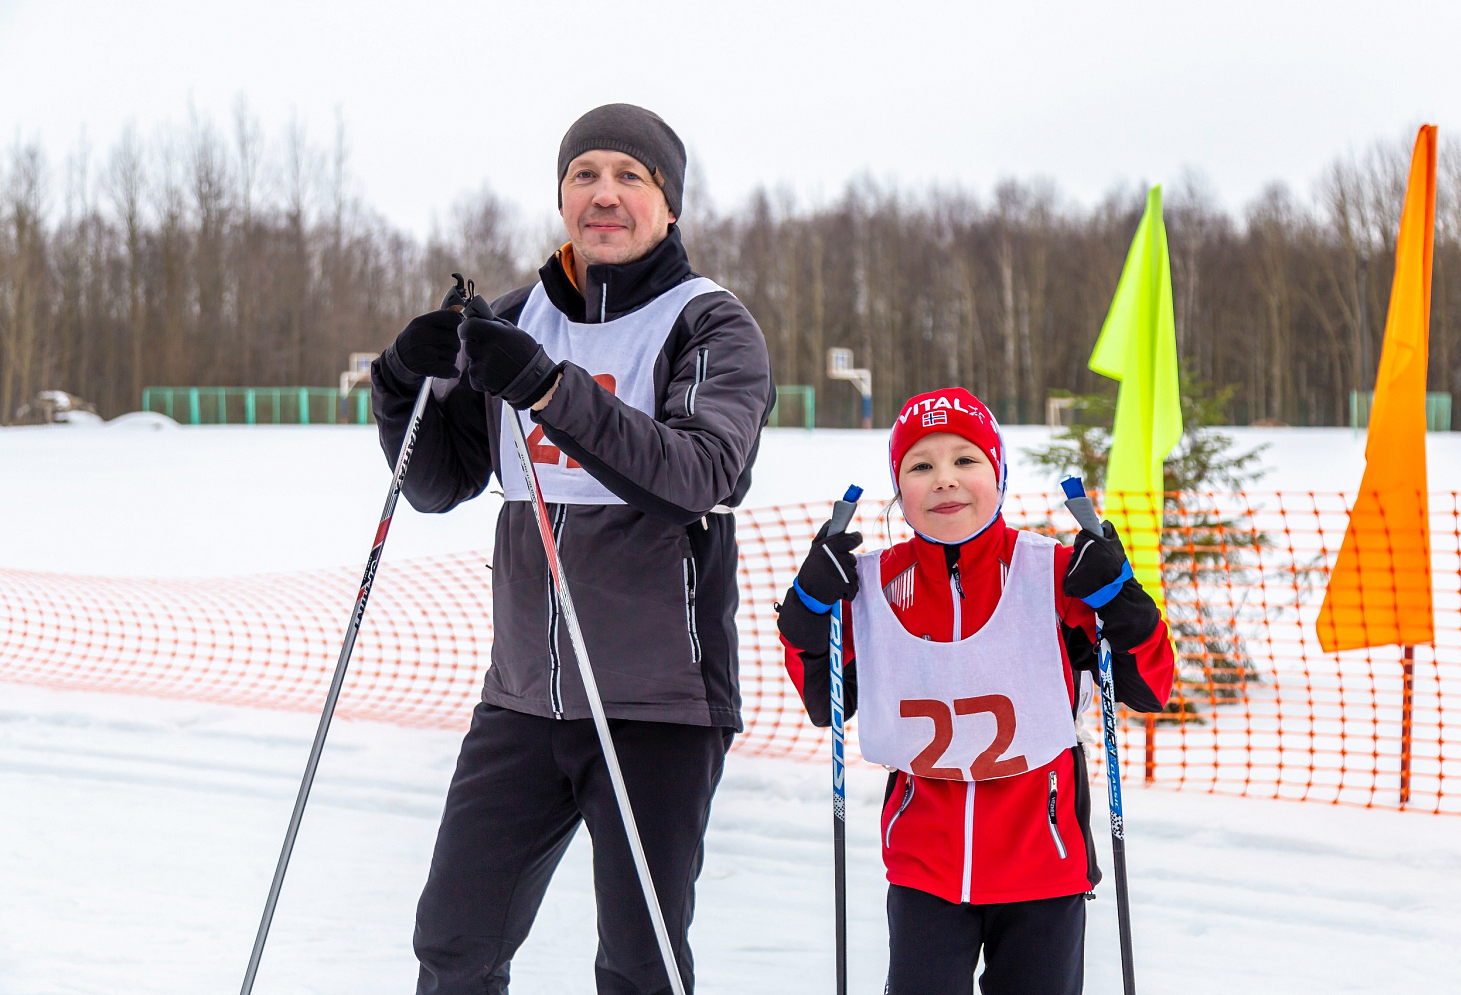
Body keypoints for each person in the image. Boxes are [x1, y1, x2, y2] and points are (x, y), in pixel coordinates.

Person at [371, 104, 775, 995]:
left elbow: (693, 475)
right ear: (562, 198)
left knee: (639, 965)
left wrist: (549, 389)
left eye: (632, 176)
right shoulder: (518, 317)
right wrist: (403, 383)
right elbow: (440, 483)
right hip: (522, 701)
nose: (605, 194)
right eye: (584, 174)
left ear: (669, 205)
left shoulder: (707, 324)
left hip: (659, 707)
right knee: (453, 943)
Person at [777, 387, 1176, 995]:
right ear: (899, 487)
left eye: (966, 460)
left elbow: (1149, 686)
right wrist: (808, 616)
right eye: (921, 465)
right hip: (924, 869)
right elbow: (826, 698)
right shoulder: (874, 585)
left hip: (1043, 863)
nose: (944, 481)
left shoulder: (1051, 574)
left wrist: (1124, 603)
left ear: (998, 475)